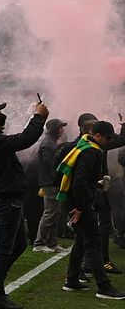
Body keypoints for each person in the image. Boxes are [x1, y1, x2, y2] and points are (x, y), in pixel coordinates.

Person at [0, 100, 48, 309]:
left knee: (18, 245)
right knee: (4, 248)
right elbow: (26, 139)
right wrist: (39, 116)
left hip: (9, 198)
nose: (1, 116)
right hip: (7, 199)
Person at [58, 121, 125, 299]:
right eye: (108, 138)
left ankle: (71, 279)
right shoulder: (90, 152)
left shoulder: (83, 145)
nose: (109, 141)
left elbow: (80, 180)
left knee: (81, 240)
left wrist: (96, 183)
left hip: (73, 201)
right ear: (97, 136)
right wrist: (79, 207)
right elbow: (80, 183)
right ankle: (104, 287)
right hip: (79, 204)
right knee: (94, 242)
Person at [33, 119, 69, 253]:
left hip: (53, 182)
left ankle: (52, 242)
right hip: (50, 183)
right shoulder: (48, 144)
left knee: (55, 213)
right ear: (55, 129)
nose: (62, 130)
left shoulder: (51, 142)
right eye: (60, 128)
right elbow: (50, 164)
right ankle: (39, 243)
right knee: (49, 213)